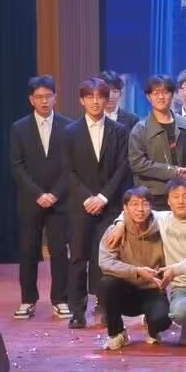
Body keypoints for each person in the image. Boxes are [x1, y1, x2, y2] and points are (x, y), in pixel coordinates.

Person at [103, 176, 186, 348]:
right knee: (179, 313)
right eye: (175, 196)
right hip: (182, 287)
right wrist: (120, 223)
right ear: (168, 201)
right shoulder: (163, 219)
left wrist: (177, 269)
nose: (181, 201)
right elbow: (137, 210)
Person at [65, 76, 131, 328]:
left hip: (109, 205)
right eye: (90, 97)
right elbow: (67, 170)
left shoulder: (119, 130)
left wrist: (103, 197)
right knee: (78, 258)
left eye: (100, 97)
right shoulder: (70, 132)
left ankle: (104, 305)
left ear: (107, 99)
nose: (95, 101)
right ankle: (77, 310)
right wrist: (87, 197)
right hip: (80, 206)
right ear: (82, 100)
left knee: (105, 258)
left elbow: (123, 167)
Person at [9, 75, 71, 320]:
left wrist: (55, 194)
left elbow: (71, 167)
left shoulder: (68, 127)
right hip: (30, 200)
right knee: (28, 250)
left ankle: (60, 299)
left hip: (60, 201)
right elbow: (17, 166)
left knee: (59, 250)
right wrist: (38, 194)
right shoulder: (19, 128)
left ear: (56, 97)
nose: (44, 101)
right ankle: (28, 300)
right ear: (31, 100)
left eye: (48, 96)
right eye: (39, 97)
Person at [96, 186, 172, 350]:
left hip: (152, 289)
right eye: (134, 204)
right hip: (126, 290)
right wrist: (136, 271)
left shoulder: (163, 226)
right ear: (125, 208)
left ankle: (152, 327)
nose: (140, 209)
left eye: (145, 204)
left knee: (163, 320)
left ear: (151, 207)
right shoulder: (114, 231)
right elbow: (105, 262)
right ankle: (117, 333)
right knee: (106, 284)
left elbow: (178, 215)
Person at [128, 75, 186, 211]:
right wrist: (172, 171)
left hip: (184, 193)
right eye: (156, 93)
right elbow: (138, 164)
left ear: (172, 94)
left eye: (165, 92)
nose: (161, 97)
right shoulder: (140, 129)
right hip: (154, 195)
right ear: (148, 97)